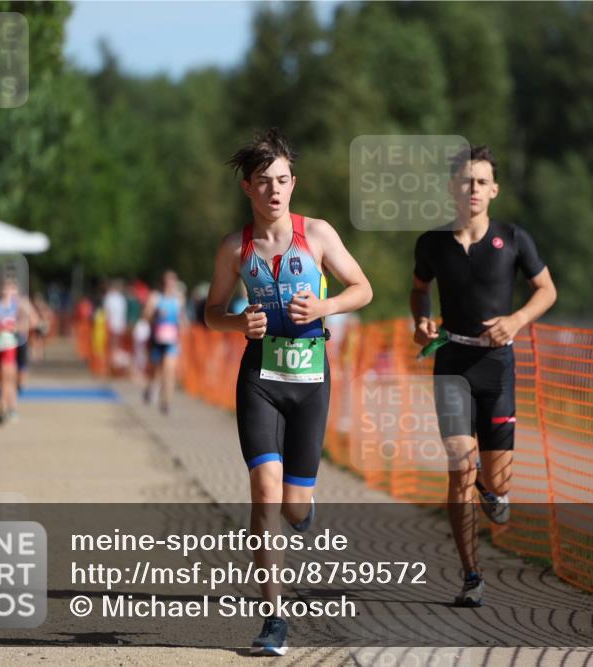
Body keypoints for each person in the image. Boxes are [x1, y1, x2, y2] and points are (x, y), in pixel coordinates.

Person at [204, 128, 372, 655]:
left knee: (295, 507)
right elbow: (210, 313)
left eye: (281, 180)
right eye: (263, 182)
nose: (274, 190)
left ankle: (305, 511)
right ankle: (274, 617)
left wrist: (323, 309)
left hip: (310, 379)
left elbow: (363, 288)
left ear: (293, 183)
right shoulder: (236, 248)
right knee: (264, 490)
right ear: (247, 189)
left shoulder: (317, 234)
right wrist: (237, 325)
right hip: (260, 378)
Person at [411, 144, 557, 608]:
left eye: (481, 182)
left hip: (497, 368)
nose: (472, 189)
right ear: (452, 188)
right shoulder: (432, 243)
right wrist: (421, 320)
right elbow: (419, 291)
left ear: (493, 189)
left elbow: (546, 290)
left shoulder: (514, 238)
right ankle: (472, 575)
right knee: (460, 465)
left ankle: (493, 492)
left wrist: (515, 321)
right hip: (451, 361)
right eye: (465, 181)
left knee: (495, 485)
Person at [0, 277, 34, 426]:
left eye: (9, 288)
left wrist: (17, 327)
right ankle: (5, 408)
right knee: (1, 379)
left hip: (14, 344)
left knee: (10, 378)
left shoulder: (19, 303)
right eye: (4, 287)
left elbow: (31, 320)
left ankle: (5, 408)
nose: (6, 291)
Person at [143, 270, 187, 414]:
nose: (170, 284)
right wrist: (155, 315)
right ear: (163, 282)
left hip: (172, 341)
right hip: (157, 339)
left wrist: (182, 323)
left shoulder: (179, 299)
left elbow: (182, 318)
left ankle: (166, 402)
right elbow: (146, 316)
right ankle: (150, 388)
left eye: (172, 281)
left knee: (170, 371)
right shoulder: (155, 297)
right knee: (156, 371)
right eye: (167, 281)